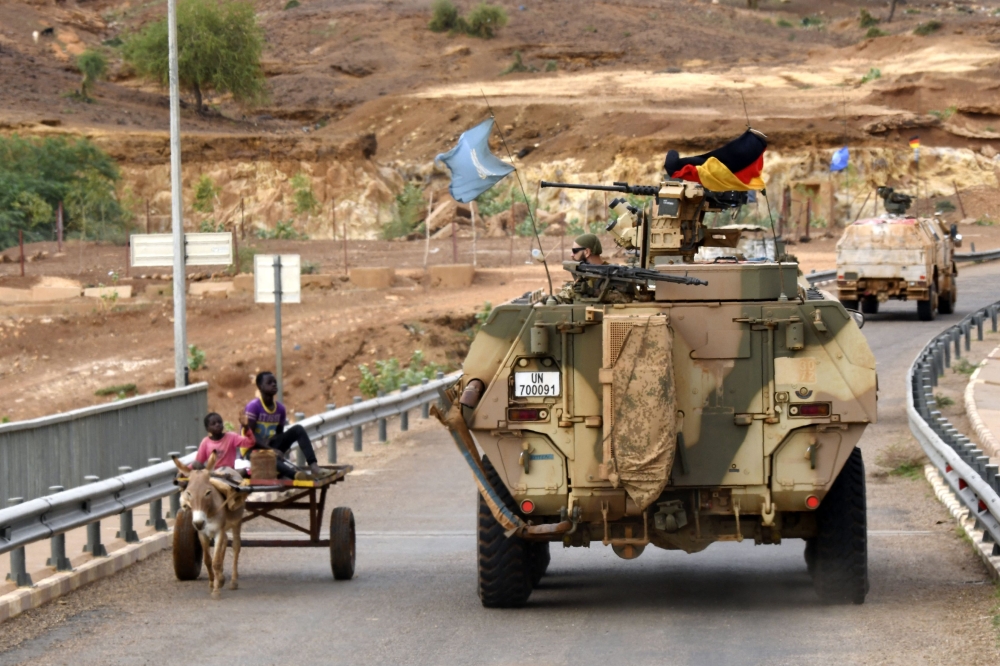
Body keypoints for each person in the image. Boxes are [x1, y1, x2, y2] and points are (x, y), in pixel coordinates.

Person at [243, 371, 333, 479]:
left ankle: (314, 468)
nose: (274, 384)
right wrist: (270, 449)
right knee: (269, 456)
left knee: (298, 429)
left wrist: (274, 446)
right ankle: (295, 475)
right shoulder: (253, 407)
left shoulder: (280, 409)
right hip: (252, 449)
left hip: (268, 445)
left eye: (275, 382)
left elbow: (280, 435)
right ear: (260, 386)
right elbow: (250, 436)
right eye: (269, 383)